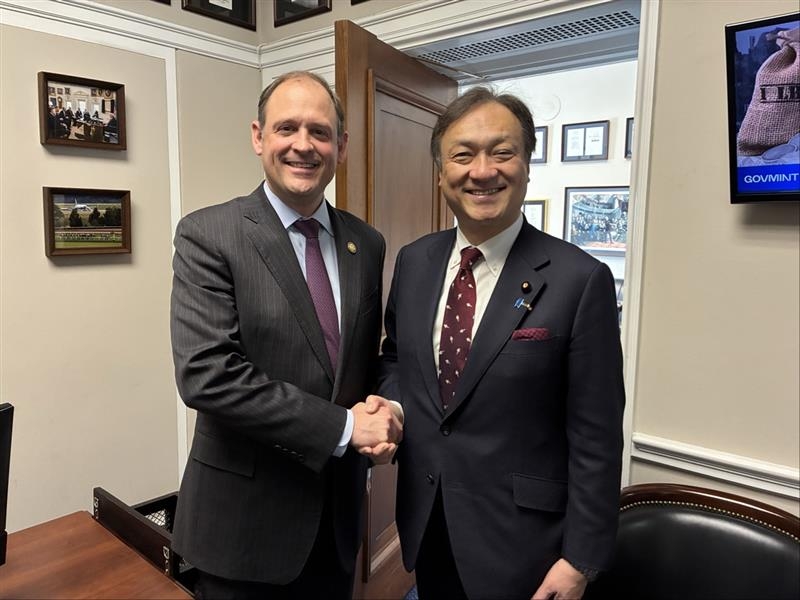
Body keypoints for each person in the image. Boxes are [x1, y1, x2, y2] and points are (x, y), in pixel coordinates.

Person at [376, 87, 625, 600]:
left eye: (502, 151)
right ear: (441, 173)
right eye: (463, 154)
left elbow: (596, 437)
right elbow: (397, 358)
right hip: (429, 523)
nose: (482, 170)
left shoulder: (580, 280)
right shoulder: (414, 262)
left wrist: (580, 560)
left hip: (528, 548)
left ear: (527, 165)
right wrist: (395, 405)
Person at [170, 71, 402, 600]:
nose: (304, 145)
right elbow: (208, 375)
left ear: (340, 145)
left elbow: (365, 363)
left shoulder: (366, 243)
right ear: (259, 137)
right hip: (244, 530)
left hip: (338, 523)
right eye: (287, 128)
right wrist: (344, 427)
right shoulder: (209, 234)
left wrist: (388, 412)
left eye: (320, 132)